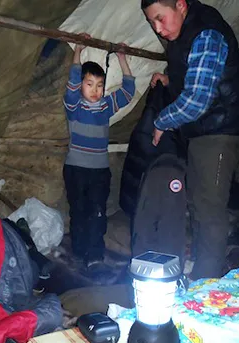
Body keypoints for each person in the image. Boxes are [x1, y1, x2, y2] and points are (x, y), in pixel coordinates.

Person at [142, 0, 239, 278]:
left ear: (180, 5)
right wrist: (169, 82)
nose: (158, 28)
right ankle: (204, 270)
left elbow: (197, 100)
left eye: (160, 18)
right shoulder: (185, 34)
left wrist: (161, 122)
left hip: (219, 132)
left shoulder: (206, 32)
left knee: (209, 210)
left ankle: (208, 282)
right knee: (199, 203)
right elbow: (195, 78)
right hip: (205, 131)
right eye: (152, 23)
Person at [63, 34, 135, 275]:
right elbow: (72, 84)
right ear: (81, 85)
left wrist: (122, 58)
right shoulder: (74, 106)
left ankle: (94, 255)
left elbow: (128, 90)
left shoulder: (105, 106)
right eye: (89, 84)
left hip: (99, 171)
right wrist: (78, 52)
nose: (95, 90)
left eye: (99, 85)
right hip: (75, 169)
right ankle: (79, 252)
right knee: (79, 211)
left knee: (97, 212)